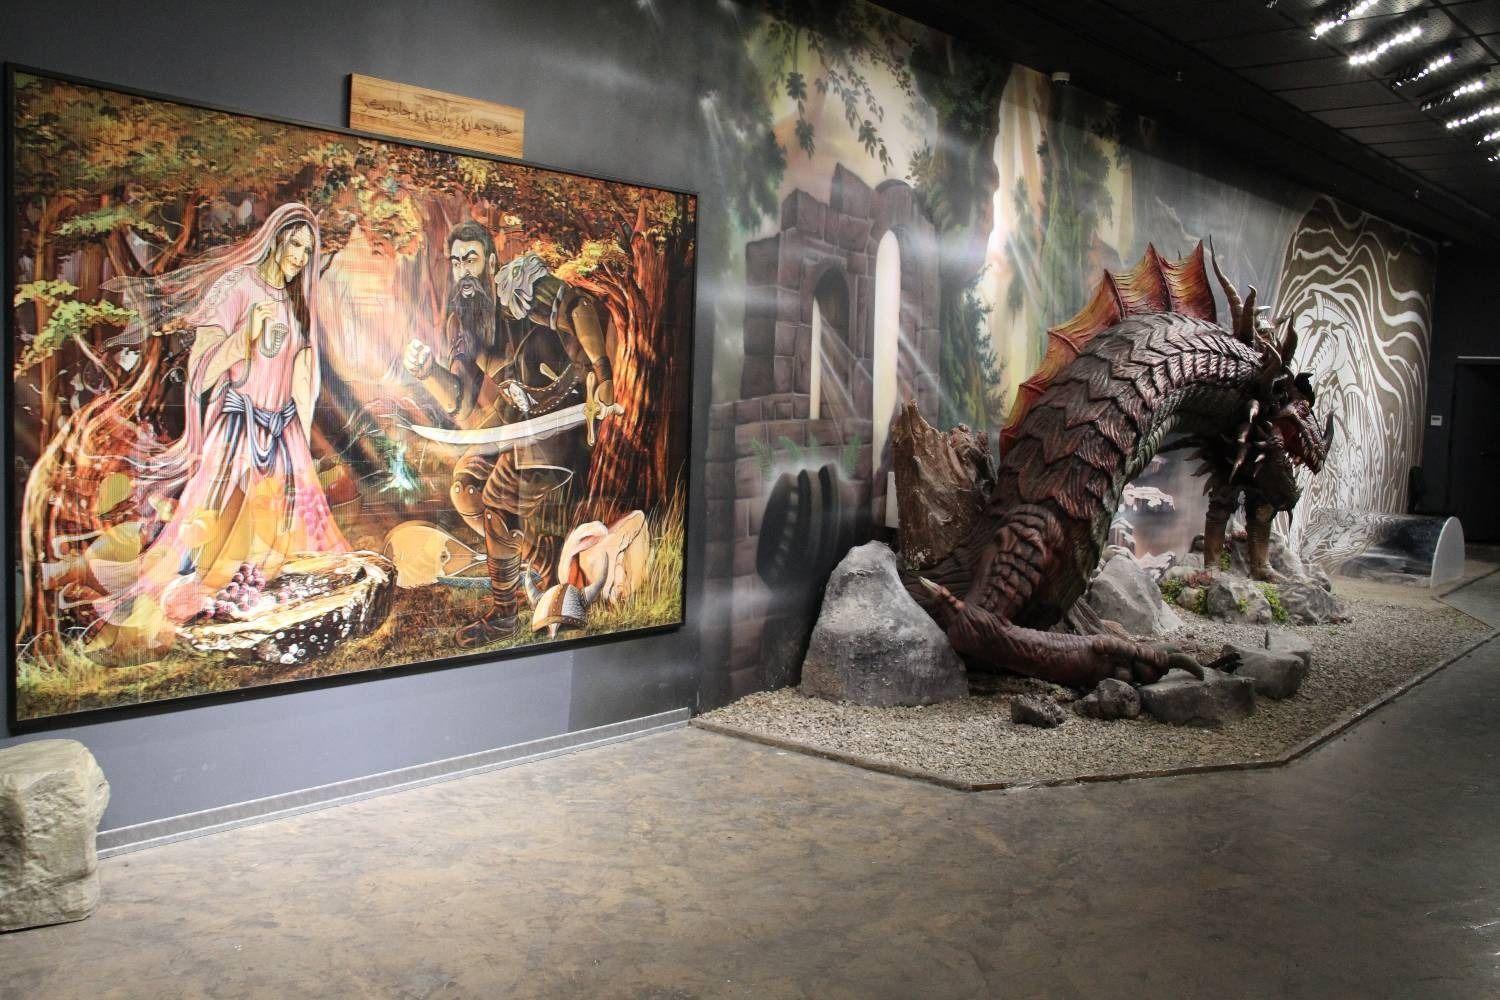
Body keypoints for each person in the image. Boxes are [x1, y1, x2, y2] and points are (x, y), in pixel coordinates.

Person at [91, 203, 349, 659]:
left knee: (289, 528)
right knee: (207, 523)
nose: (300, 257)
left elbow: (302, 377)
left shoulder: (296, 302)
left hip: (282, 430)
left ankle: (257, 606)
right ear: (275, 239)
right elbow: (201, 372)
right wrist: (244, 338)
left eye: (308, 250)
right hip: (237, 427)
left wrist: (302, 431)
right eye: (294, 244)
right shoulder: (236, 286)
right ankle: (179, 610)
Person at [403, 222, 614, 647]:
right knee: (466, 489)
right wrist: (427, 373)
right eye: (456, 262)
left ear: (491, 261)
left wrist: (602, 372)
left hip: (559, 416)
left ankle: (504, 615)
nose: (464, 270)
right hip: (512, 415)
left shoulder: (519, 286)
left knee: (499, 504)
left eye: (471, 259)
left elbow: (579, 306)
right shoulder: (463, 320)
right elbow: (462, 403)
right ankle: (543, 557)